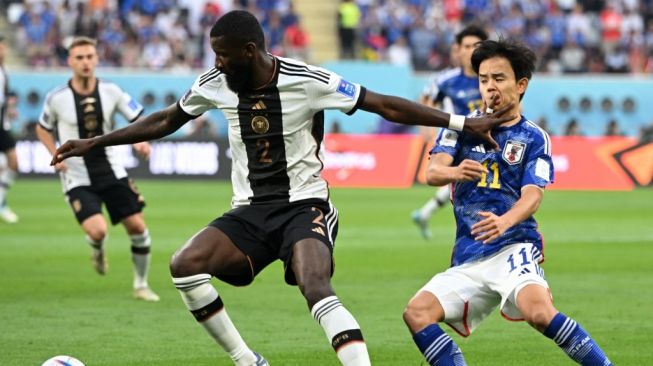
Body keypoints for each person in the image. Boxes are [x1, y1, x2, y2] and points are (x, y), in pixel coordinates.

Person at [50, 11, 513, 366]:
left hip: (304, 204)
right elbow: (168, 119)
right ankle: (247, 360)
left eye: (223, 54)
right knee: (184, 265)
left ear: (249, 51)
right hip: (249, 210)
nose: (216, 63)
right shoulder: (216, 83)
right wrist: (95, 141)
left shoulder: (307, 80)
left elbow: (385, 105)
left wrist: (461, 121)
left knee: (315, 284)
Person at [403, 38, 613, 366]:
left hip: (513, 247)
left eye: (499, 79)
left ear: (521, 84)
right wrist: (455, 170)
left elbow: (534, 195)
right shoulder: (459, 127)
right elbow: (432, 172)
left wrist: (505, 221)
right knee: (417, 313)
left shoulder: (533, 137)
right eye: (484, 79)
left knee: (540, 312)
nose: (490, 87)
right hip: (469, 257)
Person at [35, 37, 159, 302]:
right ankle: (97, 249)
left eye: (90, 56)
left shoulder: (112, 91)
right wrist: (54, 155)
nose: (85, 62)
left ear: (97, 59)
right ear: (70, 61)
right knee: (98, 230)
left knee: (138, 227)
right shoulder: (57, 98)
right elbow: (42, 128)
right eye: (79, 57)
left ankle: (141, 285)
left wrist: (141, 140)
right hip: (76, 175)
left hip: (112, 170)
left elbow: (138, 119)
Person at [411, 25, 489, 240]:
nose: (472, 50)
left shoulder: (492, 78)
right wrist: (425, 128)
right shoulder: (446, 80)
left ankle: (426, 214)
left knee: (472, 184)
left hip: (488, 140)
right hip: (457, 140)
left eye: (477, 45)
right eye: (467, 46)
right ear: (459, 50)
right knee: (467, 181)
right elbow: (425, 101)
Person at [0, 35, 19, 223]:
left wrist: (10, 110)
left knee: (12, 161)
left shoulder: (3, 71)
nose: (3, 50)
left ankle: (1, 202)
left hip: (1, 125)